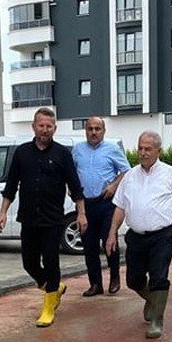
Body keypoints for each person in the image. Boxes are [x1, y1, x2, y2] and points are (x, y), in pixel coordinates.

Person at [0, 108, 87, 327]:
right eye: (41, 125)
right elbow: (11, 185)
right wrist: (3, 212)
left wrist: (81, 213)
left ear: (54, 128)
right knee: (29, 262)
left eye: (49, 126)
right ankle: (53, 287)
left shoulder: (62, 154)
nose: (45, 130)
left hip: (52, 219)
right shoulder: (22, 153)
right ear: (33, 127)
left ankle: (48, 307)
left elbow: (75, 186)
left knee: (51, 260)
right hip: (28, 218)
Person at [105, 131, 172, 339]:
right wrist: (111, 234)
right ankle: (152, 300)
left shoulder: (171, 174)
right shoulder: (130, 176)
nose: (142, 153)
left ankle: (156, 321)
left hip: (163, 236)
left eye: (148, 149)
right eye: (140, 148)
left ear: (158, 151)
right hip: (136, 236)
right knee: (133, 280)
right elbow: (119, 207)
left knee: (159, 277)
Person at [71, 116, 130, 296]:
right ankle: (95, 284)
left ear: (104, 131)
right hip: (85, 205)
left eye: (98, 129)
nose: (94, 132)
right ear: (85, 130)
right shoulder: (77, 150)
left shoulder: (112, 149)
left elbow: (127, 171)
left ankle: (114, 278)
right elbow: (70, 173)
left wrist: (114, 185)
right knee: (88, 246)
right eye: (90, 129)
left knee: (109, 242)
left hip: (106, 204)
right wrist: (71, 188)